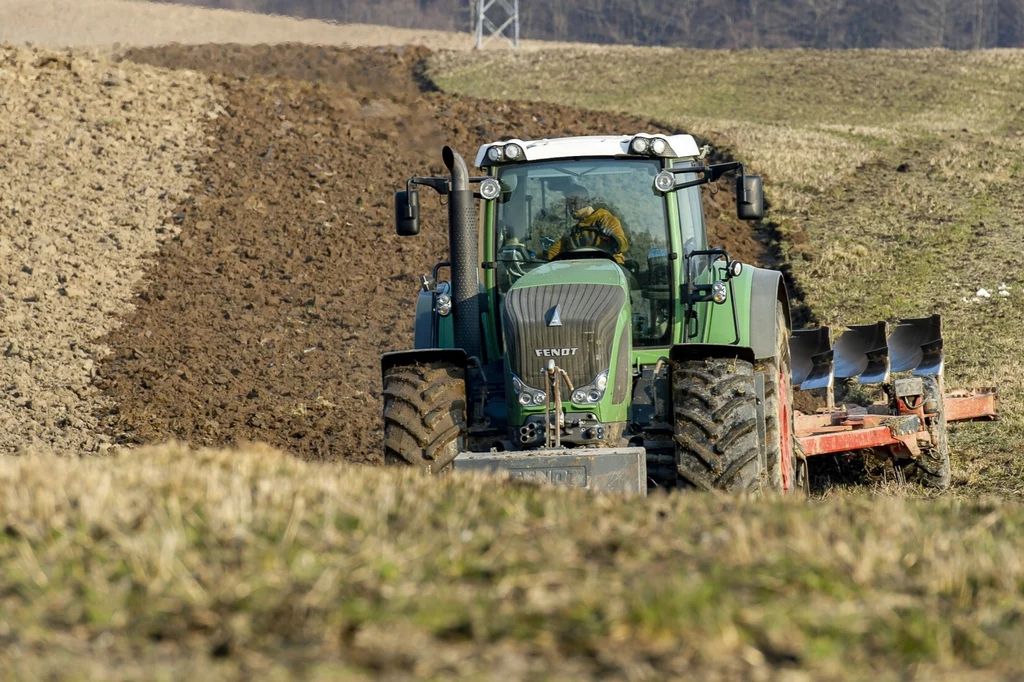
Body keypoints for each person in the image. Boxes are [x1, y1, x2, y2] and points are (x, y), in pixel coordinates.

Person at [546, 185, 629, 264]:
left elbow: (623, 245)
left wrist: (611, 238)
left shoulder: (606, 220)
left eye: (575, 203)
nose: (571, 208)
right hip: (581, 271)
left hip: (610, 269)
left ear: (588, 202)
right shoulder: (573, 231)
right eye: (568, 204)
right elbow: (554, 253)